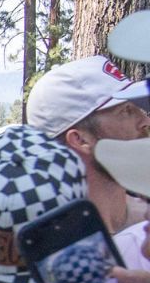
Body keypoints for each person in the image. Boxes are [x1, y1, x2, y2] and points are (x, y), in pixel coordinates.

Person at [25, 55, 150, 234]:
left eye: (139, 108)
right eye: (126, 111)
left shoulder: (144, 220)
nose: (145, 120)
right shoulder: (56, 245)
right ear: (80, 140)